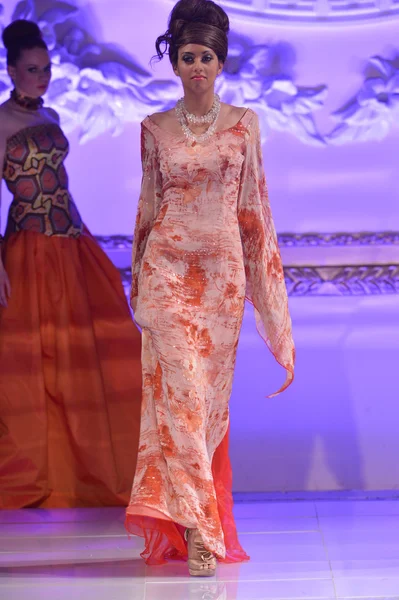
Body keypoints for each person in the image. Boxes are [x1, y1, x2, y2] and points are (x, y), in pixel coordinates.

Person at [125, 0, 295, 577]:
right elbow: (147, 211)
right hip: (167, 274)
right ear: (173, 62)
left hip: (221, 281)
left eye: (207, 56)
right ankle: (201, 530)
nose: (197, 65)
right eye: (187, 56)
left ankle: (200, 518)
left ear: (221, 63)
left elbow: (254, 210)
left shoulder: (244, 125)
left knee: (206, 406)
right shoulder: (153, 129)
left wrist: (265, 293)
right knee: (181, 399)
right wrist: (138, 284)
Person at [0, 20, 142, 509]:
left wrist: (84, 240)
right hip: (28, 248)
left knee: (87, 354)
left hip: (69, 241)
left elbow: (61, 184)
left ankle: (86, 472)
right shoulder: (0, 124)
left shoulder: (55, 113)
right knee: (32, 364)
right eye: (33, 69)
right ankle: (36, 475)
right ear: (12, 69)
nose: (42, 77)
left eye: (47, 68)